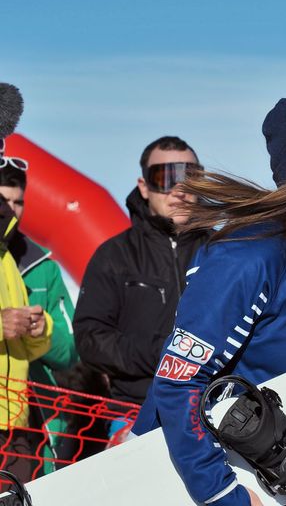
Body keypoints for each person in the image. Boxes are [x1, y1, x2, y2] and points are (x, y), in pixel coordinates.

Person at [132, 97, 286, 506]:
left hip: (274, 474)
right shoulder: (250, 255)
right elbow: (179, 380)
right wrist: (220, 493)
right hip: (186, 478)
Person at [73, 136, 209, 436]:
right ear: (144, 186)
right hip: (136, 411)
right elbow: (90, 337)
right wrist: (164, 355)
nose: (180, 189)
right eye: (165, 177)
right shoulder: (115, 255)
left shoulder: (224, 250)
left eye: (191, 176)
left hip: (213, 408)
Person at [0, 160, 78, 474]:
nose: (10, 209)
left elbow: (72, 350)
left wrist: (44, 330)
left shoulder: (45, 267)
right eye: (3, 200)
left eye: (17, 201)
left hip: (35, 421)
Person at [0, 155, 53, 486]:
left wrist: (39, 327)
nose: (10, 208)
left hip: (15, 423)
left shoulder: (6, 257)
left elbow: (27, 348)